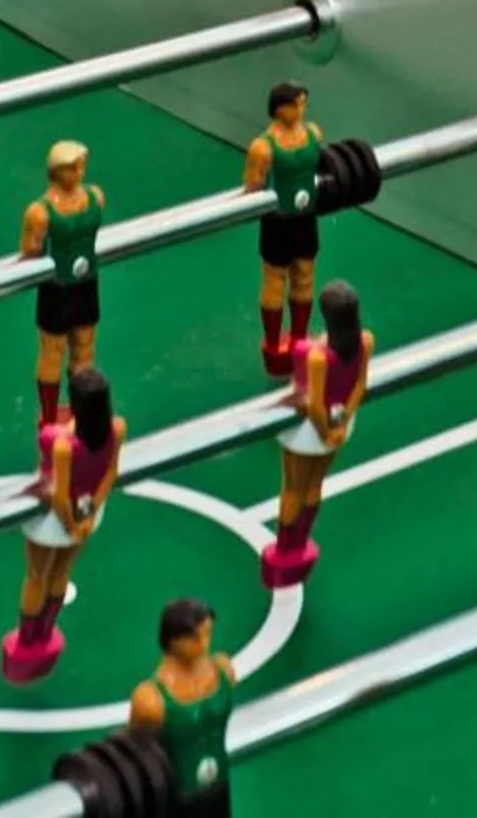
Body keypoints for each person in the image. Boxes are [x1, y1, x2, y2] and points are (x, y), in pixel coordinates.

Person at [3, 365, 125, 682]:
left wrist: (71, 524)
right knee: (61, 571)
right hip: (89, 511)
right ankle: (46, 631)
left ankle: (28, 640)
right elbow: (111, 472)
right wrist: (89, 514)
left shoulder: (63, 445)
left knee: (35, 576)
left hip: (56, 521)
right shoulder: (117, 428)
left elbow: (59, 494)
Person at [261, 280, 371, 590]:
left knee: (293, 488)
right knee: (314, 485)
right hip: (341, 421)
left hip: (311, 431)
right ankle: (300, 544)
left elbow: (313, 403)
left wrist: (325, 432)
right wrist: (341, 423)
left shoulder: (319, 357)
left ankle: (284, 551)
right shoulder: (365, 340)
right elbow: (360, 385)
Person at [20, 137, 105, 428]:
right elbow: (30, 250)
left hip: (86, 283)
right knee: (53, 352)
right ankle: (49, 417)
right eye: (72, 167)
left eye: (81, 165)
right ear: (56, 171)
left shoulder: (95, 197)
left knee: (85, 348)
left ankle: (83, 411)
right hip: (55, 289)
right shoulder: (40, 213)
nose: (80, 171)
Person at [243, 79, 322, 377]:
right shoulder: (263, 148)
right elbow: (252, 187)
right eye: (296, 103)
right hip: (277, 221)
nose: (302, 108)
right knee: (275, 280)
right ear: (280, 108)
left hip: (305, 216)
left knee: (304, 273)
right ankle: (275, 346)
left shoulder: (313, 134)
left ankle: (300, 341)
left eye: (303, 102)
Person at [128, 597, 235, 816]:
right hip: (176, 799)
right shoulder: (150, 700)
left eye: (208, 633)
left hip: (219, 787)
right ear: (173, 640)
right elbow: (137, 757)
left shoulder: (224, 669)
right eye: (196, 637)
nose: (205, 643)